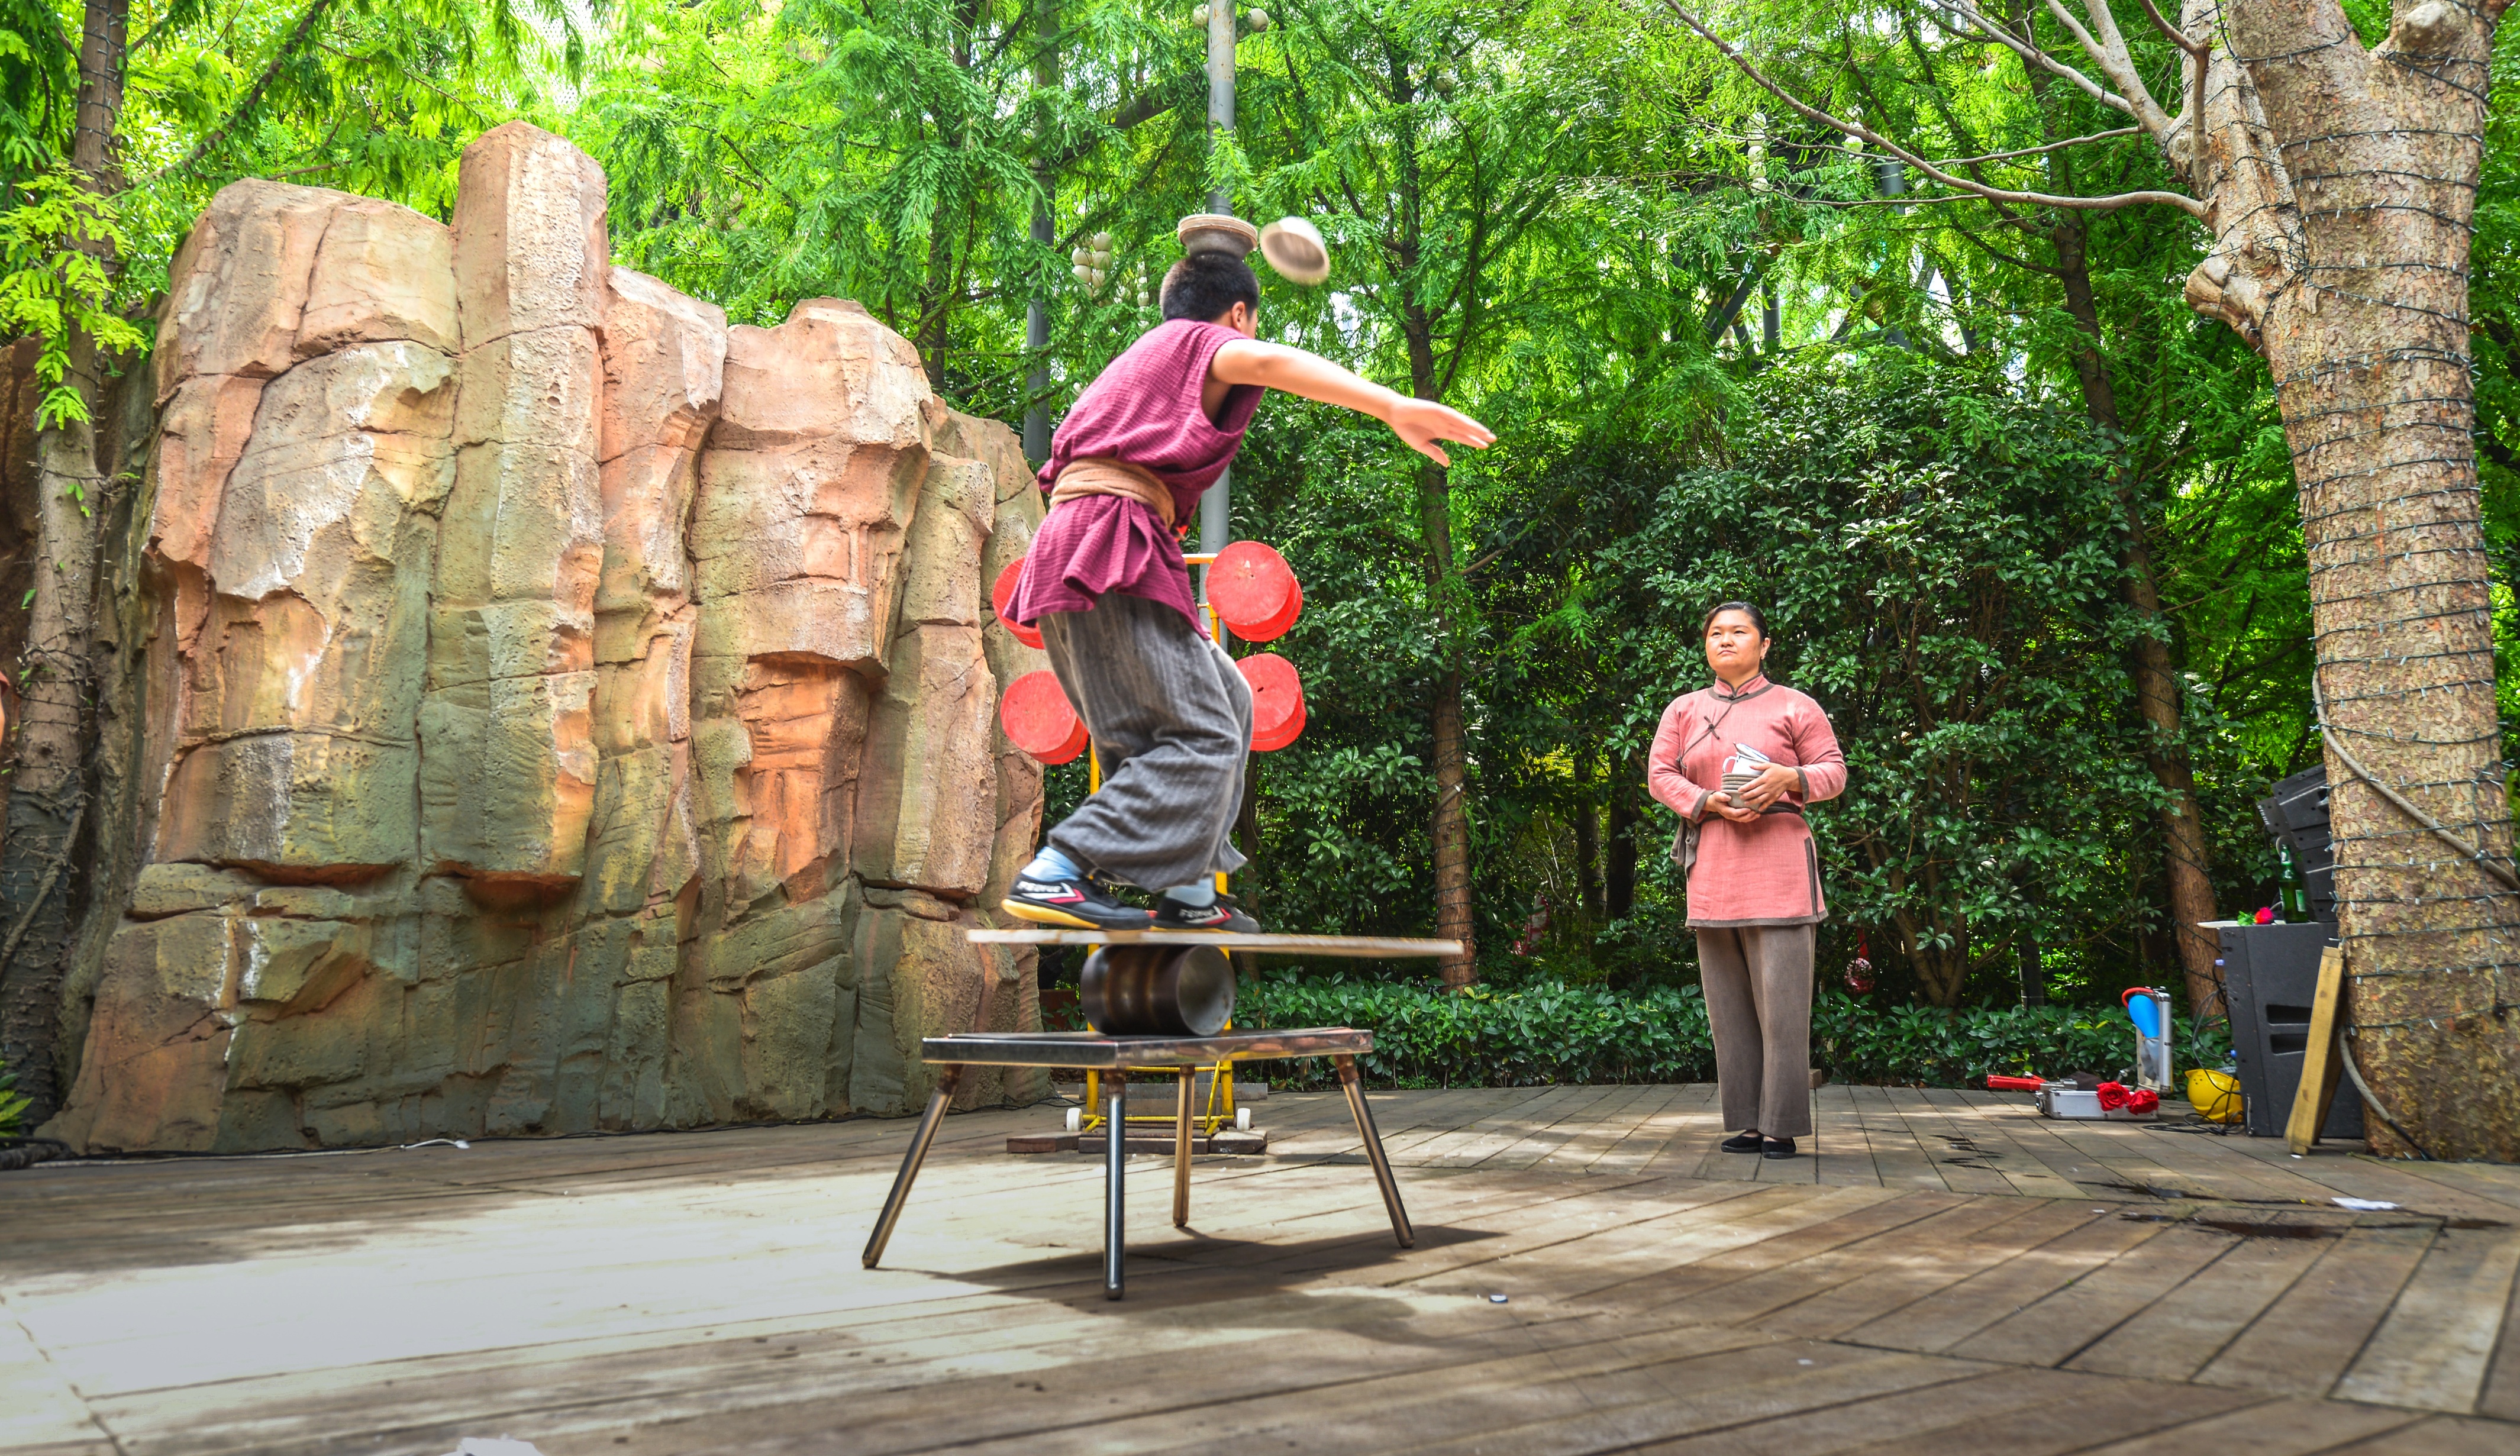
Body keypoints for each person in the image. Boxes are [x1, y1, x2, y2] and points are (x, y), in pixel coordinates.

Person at [1001, 240, 1493, 932]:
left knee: (1223, 697)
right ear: (1237, 314)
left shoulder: (1139, 364)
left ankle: (1188, 892)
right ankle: (1058, 871)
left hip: (1084, 544)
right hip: (1111, 540)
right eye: (1250, 322)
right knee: (1199, 730)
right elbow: (1262, 362)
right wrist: (1390, 405)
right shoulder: (1202, 343)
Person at [1646, 602, 1846, 1159]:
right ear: (1705, 646)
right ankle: (1747, 1123)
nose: (1726, 640)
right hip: (1712, 869)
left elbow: (1833, 770)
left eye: (1739, 632)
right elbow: (1659, 774)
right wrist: (1704, 799)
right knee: (1728, 1010)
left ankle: (1780, 1126)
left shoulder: (1794, 704)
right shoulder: (1683, 709)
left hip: (1780, 868)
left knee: (1782, 1010)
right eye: (1715, 633)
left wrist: (1792, 777)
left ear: (1764, 645)